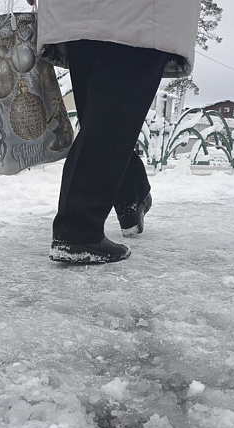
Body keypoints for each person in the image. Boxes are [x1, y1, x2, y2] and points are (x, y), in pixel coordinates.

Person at [26, 0, 202, 263]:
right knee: (115, 105)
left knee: (100, 114)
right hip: (140, 11)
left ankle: (131, 195)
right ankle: (78, 230)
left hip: (73, 9)